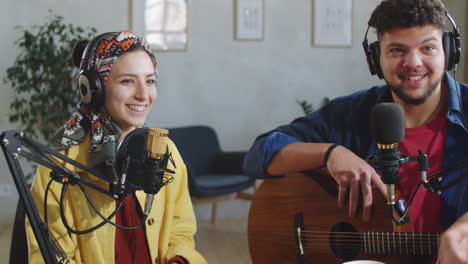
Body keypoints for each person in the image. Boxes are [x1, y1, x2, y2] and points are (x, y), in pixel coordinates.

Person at [243, 0, 468, 261]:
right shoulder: (349, 113)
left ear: (449, 51)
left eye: (428, 48)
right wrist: (331, 153)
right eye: (397, 51)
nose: (413, 63)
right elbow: (258, 155)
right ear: (375, 58)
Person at [25, 30, 207, 264]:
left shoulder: (165, 150)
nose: (143, 95)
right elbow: (49, 254)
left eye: (150, 81)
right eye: (127, 81)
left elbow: (180, 230)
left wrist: (179, 260)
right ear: (93, 89)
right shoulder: (60, 163)